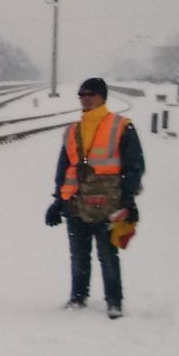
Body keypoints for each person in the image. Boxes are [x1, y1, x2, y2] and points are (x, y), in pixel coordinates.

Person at [45, 75, 144, 318]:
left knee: (108, 255)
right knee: (78, 256)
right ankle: (78, 297)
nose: (84, 99)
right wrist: (58, 200)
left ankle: (114, 301)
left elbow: (134, 166)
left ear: (102, 96)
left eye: (89, 94)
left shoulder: (122, 126)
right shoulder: (73, 131)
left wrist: (128, 199)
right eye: (81, 95)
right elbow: (64, 167)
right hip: (76, 203)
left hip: (109, 204)